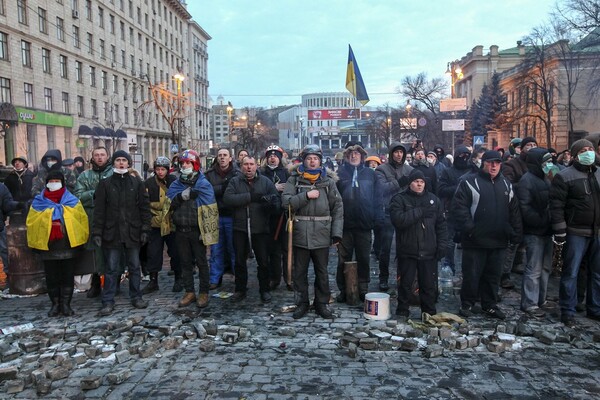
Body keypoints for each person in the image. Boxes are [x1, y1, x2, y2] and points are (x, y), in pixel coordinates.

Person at [452, 150, 522, 320]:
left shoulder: (506, 185)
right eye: (490, 162)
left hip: (498, 240)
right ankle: (467, 303)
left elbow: (514, 211)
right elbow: (459, 208)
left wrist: (516, 232)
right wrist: (470, 229)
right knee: (472, 275)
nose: (493, 166)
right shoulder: (469, 182)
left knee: (493, 276)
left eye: (497, 163)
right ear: (483, 163)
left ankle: (489, 305)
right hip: (475, 240)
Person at [282, 144, 343, 319]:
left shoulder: (328, 182)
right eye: (309, 158)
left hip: (322, 233)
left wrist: (336, 233)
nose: (312, 161)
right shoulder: (294, 180)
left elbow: (338, 208)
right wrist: (306, 196)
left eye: (315, 158)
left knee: (322, 272)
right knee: (299, 272)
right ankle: (302, 302)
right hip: (300, 233)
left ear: (320, 161)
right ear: (304, 160)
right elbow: (286, 202)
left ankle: (321, 303)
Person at [92, 150, 151, 316]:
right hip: (112, 232)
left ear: (129, 163)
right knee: (111, 268)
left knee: (134, 266)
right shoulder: (105, 184)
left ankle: (136, 296)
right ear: (113, 163)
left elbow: (144, 208)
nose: (121, 163)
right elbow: (99, 210)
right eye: (118, 160)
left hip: (133, 232)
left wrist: (145, 229)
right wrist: (97, 232)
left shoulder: (137, 183)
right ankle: (108, 300)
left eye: (124, 160)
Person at [550, 139, 600, 327]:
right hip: (575, 232)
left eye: (591, 149)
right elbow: (556, 206)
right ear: (576, 154)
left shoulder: (599, 173)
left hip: (597, 232)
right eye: (584, 150)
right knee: (570, 272)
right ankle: (568, 310)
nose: (588, 152)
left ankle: (594, 308)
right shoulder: (565, 176)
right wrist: (560, 229)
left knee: (596, 274)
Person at [26, 171, 88, 317]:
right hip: (48, 246)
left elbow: (81, 219)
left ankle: (66, 305)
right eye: (51, 180)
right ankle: (55, 305)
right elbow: (31, 222)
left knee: (67, 276)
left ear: (62, 183)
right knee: (51, 277)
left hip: (67, 244)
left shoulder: (72, 200)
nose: (54, 183)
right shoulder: (38, 202)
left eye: (57, 180)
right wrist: (48, 218)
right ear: (46, 183)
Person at [390, 169, 447, 319]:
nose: (419, 184)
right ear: (410, 184)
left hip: (429, 250)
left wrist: (442, 245)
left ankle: (429, 311)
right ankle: (402, 310)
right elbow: (399, 220)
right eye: (416, 182)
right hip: (407, 249)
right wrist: (420, 211)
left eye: (422, 182)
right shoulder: (400, 199)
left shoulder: (434, 200)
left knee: (428, 284)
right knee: (405, 284)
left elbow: (441, 225)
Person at [223, 155, 281, 303]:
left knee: (263, 261)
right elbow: (228, 199)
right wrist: (249, 197)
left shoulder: (265, 182)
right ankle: (240, 289)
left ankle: (264, 289)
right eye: (246, 164)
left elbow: (276, 201)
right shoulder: (235, 182)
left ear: (256, 166)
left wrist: (269, 204)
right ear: (241, 166)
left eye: (251, 164)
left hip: (260, 228)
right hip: (240, 227)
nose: (249, 167)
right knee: (240, 261)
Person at [166, 150, 219, 309]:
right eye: (182, 163)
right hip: (181, 229)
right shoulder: (176, 184)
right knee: (185, 262)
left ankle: (203, 292)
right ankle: (189, 291)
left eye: (188, 163)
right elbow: (168, 205)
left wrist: (207, 233)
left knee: (202, 262)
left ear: (195, 164)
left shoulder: (203, 184)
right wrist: (181, 196)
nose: (185, 166)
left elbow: (210, 208)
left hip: (197, 230)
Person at [336, 142, 382, 302]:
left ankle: (363, 288)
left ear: (363, 157)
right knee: (343, 259)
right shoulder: (340, 174)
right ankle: (343, 289)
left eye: (357, 154)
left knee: (363, 258)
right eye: (350, 154)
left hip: (364, 224)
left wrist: (377, 218)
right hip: (345, 225)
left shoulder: (370, 174)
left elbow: (378, 197)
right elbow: (334, 199)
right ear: (347, 157)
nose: (354, 156)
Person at [516, 148, 555, 317]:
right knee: (534, 268)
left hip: (548, 230)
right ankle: (530, 303)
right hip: (535, 231)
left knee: (546, 267)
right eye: (546, 162)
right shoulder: (527, 180)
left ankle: (542, 299)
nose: (549, 165)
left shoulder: (549, 177)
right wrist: (542, 220)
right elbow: (524, 208)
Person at [74, 147, 113, 299]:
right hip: (91, 219)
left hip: (111, 218)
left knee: (112, 251)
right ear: (92, 158)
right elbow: (78, 195)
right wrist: (95, 194)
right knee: (94, 253)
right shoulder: (85, 175)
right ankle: (96, 282)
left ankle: (113, 282)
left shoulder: (113, 173)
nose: (99, 157)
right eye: (96, 155)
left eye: (102, 154)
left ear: (107, 156)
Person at [374, 142, 413, 291]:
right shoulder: (381, 169)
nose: (399, 155)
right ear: (391, 154)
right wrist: (399, 182)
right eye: (396, 152)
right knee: (385, 249)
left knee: (404, 248)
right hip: (388, 213)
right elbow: (381, 189)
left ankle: (403, 277)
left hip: (405, 213)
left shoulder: (409, 169)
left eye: (401, 152)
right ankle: (383, 278)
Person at [501, 136, 538, 289]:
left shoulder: (537, 163)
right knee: (513, 242)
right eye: (528, 145)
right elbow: (508, 185)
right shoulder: (511, 164)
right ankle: (504, 274)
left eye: (534, 144)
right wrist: (527, 184)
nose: (531, 147)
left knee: (523, 242)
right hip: (516, 207)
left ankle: (517, 264)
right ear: (521, 148)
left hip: (533, 208)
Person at [142, 156, 180, 294]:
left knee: (175, 252)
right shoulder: (149, 183)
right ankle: (153, 281)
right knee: (153, 252)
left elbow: (177, 200)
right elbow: (144, 203)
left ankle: (178, 278)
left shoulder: (174, 181)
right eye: (158, 169)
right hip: (155, 224)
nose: (160, 172)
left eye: (162, 169)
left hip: (172, 223)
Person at [205, 148, 240, 289]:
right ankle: (215, 278)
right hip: (215, 215)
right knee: (215, 249)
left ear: (230, 158)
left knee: (234, 248)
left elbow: (237, 192)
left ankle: (238, 277)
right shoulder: (209, 174)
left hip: (233, 216)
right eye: (220, 155)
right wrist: (222, 188)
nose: (222, 158)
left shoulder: (237, 174)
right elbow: (207, 191)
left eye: (225, 155)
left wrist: (220, 189)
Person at [259, 145, 290, 290]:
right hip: (269, 216)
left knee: (287, 249)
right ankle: (275, 278)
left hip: (285, 216)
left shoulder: (286, 172)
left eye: (275, 155)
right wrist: (274, 187)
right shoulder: (262, 173)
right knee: (273, 250)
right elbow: (259, 190)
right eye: (270, 156)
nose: (272, 158)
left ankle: (289, 278)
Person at [438, 146, 472, 274]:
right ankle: (449, 266)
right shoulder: (448, 172)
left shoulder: (472, 170)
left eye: (467, 156)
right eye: (462, 156)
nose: (464, 159)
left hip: (468, 212)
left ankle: (467, 270)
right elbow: (441, 190)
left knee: (468, 242)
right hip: (451, 211)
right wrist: (458, 187)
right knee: (449, 242)